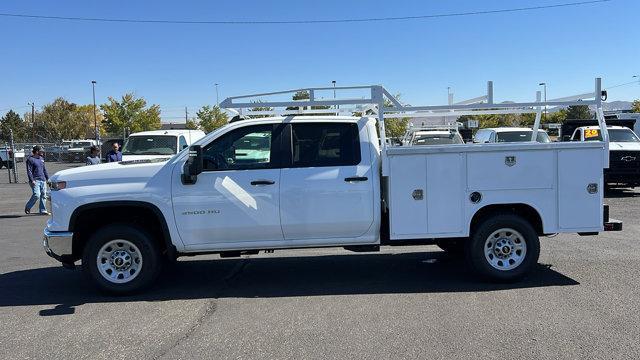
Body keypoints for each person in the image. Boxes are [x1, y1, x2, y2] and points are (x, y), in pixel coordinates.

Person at [25, 145, 49, 215]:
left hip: (43, 179)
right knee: (36, 195)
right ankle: (28, 207)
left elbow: (44, 169)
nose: (42, 152)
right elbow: (29, 171)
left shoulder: (41, 159)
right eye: (41, 151)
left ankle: (43, 210)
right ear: (37, 151)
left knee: (44, 195)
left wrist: (48, 179)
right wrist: (32, 180)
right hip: (35, 180)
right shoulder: (30, 159)